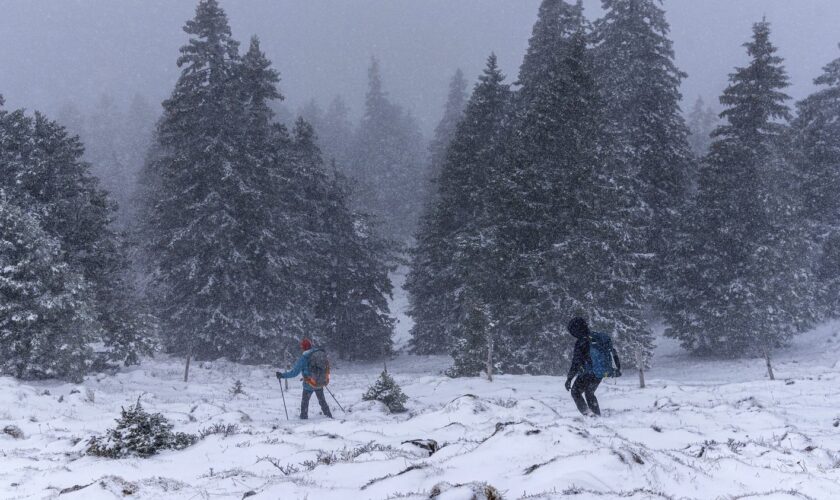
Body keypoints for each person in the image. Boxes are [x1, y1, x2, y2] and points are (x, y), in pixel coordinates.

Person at [564, 317, 620, 416]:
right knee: (589, 393)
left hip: (587, 373)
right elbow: (613, 352)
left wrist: (569, 378)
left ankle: (589, 414)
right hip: (599, 373)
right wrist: (617, 367)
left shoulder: (582, 342)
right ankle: (596, 415)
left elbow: (576, 363)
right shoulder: (596, 337)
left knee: (575, 392)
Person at [276, 338, 333, 419]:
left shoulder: (304, 358)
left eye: (301, 347)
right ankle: (329, 416)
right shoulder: (318, 353)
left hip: (309, 383)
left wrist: (282, 375)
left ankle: (303, 418)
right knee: (322, 401)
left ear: (303, 348)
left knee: (305, 403)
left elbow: (294, 373)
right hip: (319, 381)